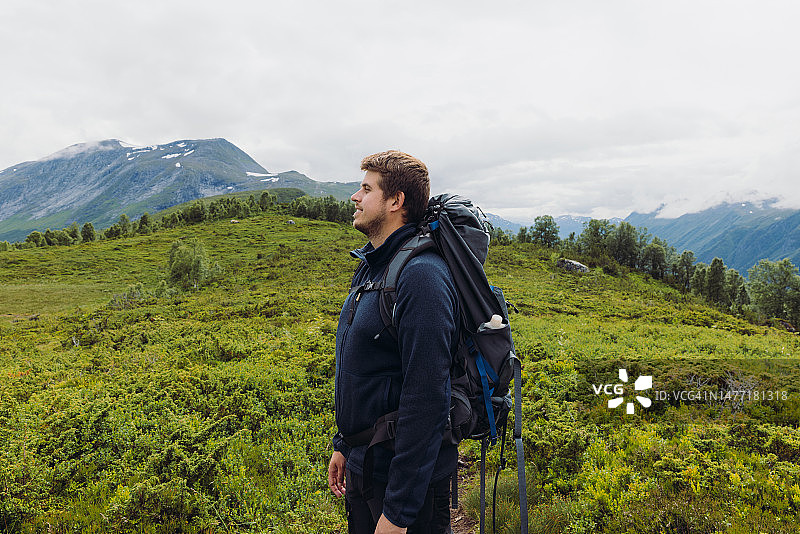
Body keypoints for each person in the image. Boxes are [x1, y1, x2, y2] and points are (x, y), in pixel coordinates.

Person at [328, 151, 459, 533]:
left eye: (366, 188)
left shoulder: (421, 277)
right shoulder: (372, 265)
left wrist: (398, 515)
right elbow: (361, 368)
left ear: (395, 201)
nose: (355, 197)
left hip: (402, 490)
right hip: (366, 466)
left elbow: (428, 400)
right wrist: (344, 444)